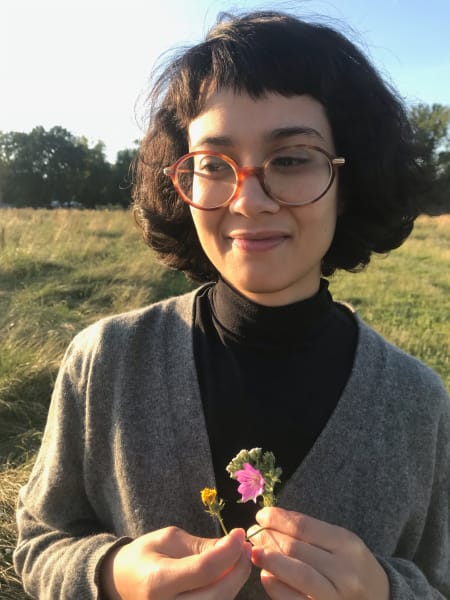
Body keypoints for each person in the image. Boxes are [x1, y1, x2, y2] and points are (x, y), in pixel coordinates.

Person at [14, 10, 450, 600]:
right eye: (215, 165)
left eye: (291, 159)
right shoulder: (104, 361)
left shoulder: (419, 405)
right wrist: (112, 576)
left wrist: (388, 591)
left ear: (348, 181)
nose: (249, 200)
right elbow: (41, 541)